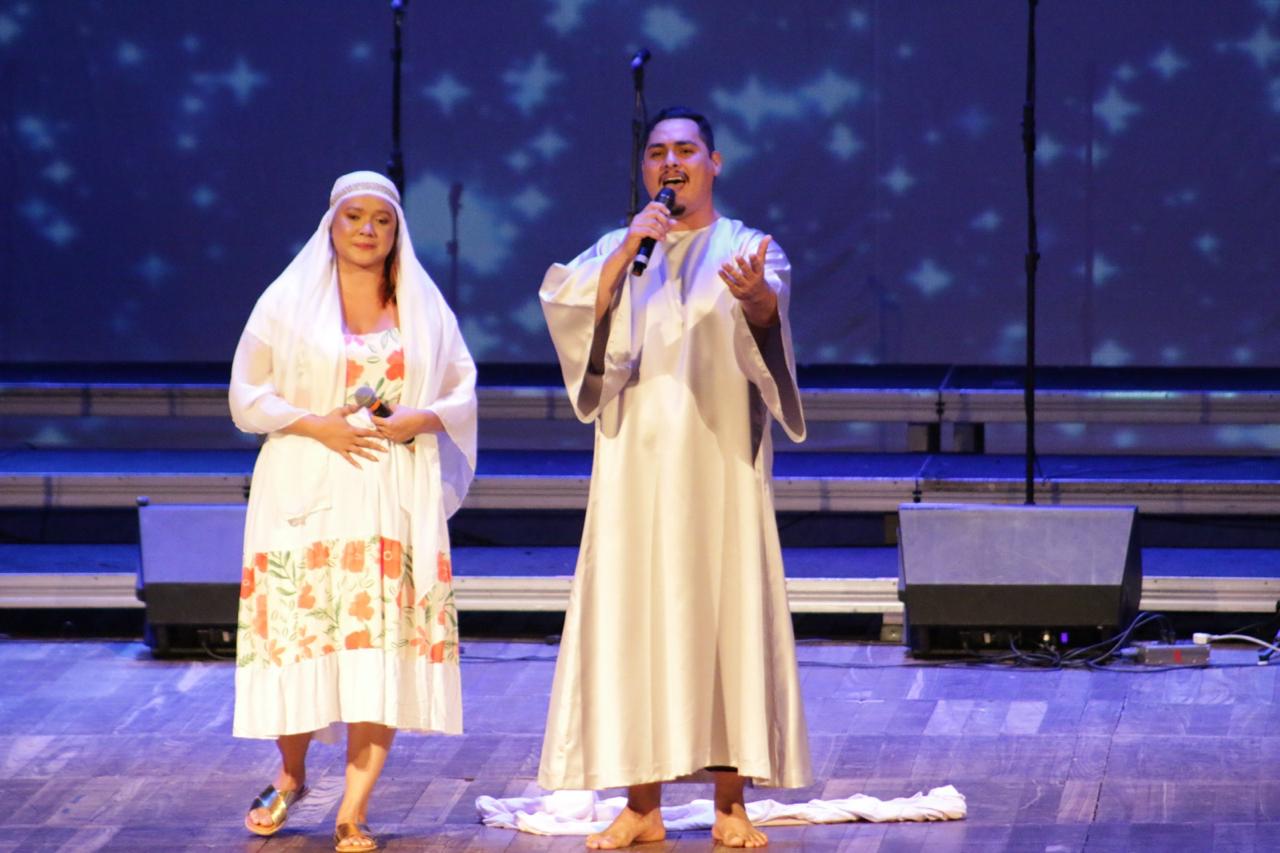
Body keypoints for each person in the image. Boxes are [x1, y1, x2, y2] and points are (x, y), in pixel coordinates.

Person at [537, 107, 811, 849]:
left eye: (685, 149)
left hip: (718, 461)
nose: (670, 161)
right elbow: (572, 313)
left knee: (726, 615)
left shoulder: (749, 246)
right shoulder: (622, 250)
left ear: (714, 162)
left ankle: (730, 801)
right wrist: (630, 245)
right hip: (634, 466)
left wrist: (755, 296)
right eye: (657, 151)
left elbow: (767, 314)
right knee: (637, 621)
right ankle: (641, 802)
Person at [229, 170, 477, 852]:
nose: (367, 230)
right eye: (354, 218)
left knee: (379, 647)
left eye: (381, 220)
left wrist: (415, 418)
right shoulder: (287, 302)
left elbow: (461, 389)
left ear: (397, 231)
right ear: (330, 226)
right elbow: (247, 395)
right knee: (307, 634)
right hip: (306, 488)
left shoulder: (422, 308)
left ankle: (354, 808)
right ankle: (291, 771)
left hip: (389, 493)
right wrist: (317, 423)